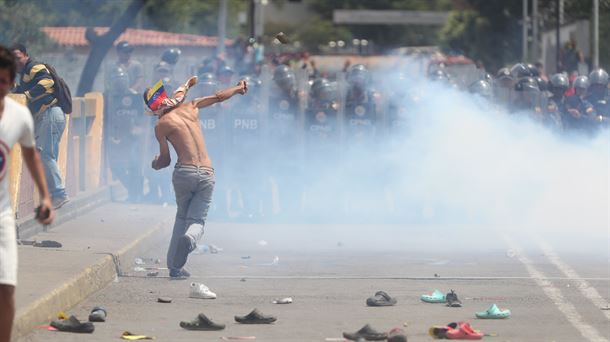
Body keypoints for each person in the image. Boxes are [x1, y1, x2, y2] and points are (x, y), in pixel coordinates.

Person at [147, 76, 247, 279]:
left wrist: (154, 163)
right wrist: (238, 88)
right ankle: (190, 239)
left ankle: (174, 267)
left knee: (181, 218)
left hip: (184, 172)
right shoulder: (192, 107)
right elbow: (219, 97)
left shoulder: (161, 125)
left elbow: (165, 160)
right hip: (206, 173)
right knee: (197, 220)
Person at [0, 44, 54, 342]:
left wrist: (46, 197)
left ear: (11, 83)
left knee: (6, 289)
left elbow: (31, 155)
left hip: (2, 217)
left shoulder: (19, 115)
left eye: (4, 82)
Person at [10, 43, 69, 209]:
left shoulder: (34, 67)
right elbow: (19, 90)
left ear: (25, 55)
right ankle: (53, 194)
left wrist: (26, 96)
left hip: (50, 114)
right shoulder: (25, 75)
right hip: (50, 116)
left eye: (18, 57)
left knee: (45, 156)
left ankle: (59, 194)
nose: (16, 61)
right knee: (47, 156)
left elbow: (47, 82)